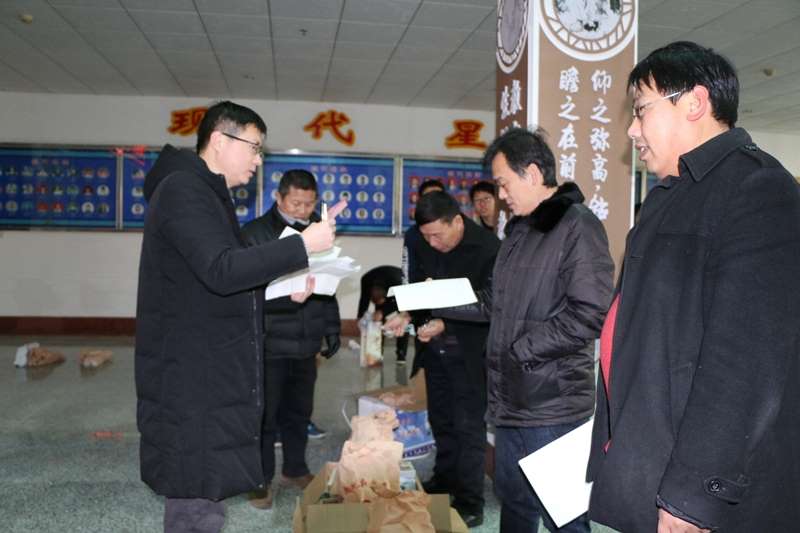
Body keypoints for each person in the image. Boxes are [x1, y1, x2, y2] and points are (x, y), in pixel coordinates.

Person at [587, 41, 800, 533]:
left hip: (703, 492)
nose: (632, 129)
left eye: (641, 110)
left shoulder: (758, 190)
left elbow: (743, 365)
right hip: (654, 457)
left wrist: (692, 498)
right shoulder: (669, 196)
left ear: (694, 103)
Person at [134, 101, 342, 533]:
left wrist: (281, 288)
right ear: (219, 139)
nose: (258, 160)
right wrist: (303, 245)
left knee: (204, 489)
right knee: (195, 491)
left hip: (203, 364)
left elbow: (214, 278)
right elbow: (221, 269)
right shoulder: (183, 190)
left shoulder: (205, 192)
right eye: (254, 147)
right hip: (190, 373)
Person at [431, 127, 614, 532]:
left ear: (531, 173)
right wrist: (435, 298)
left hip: (552, 403)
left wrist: (521, 351)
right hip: (512, 397)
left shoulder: (578, 226)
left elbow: (590, 312)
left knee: (564, 517)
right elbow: (493, 301)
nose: (500, 195)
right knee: (514, 501)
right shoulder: (520, 230)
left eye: (503, 183)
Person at [388, 191, 500, 528]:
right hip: (433, 349)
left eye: (437, 235)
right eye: (426, 237)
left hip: (470, 350)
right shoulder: (419, 240)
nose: (432, 244)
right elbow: (418, 286)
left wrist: (445, 323)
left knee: (468, 426)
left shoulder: (488, 248)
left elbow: (489, 304)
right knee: (441, 418)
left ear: (457, 221)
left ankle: (470, 500)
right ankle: (444, 479)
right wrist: (406, 314)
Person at [240, 169, 342, 509]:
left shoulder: (319, 232)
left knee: (299, 412)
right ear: (278, 197)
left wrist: (331, 328)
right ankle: (260, 481)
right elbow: (245, 290)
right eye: (296, 203)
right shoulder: (255, 233)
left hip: (306, 339)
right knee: (265, 416)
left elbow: (329, 283)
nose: (303, 210)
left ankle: (295, 469)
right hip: (269, 340)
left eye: (309, 204)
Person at [402, 178, 445, 376]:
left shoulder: (454, 230)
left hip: (449, 305)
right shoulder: (413, 234)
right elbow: (407, 270)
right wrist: (407, 308)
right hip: (422, 305)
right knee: (423, 354)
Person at [356, 265, 407, 363]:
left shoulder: (399, 282)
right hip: (379, 281)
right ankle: (377, 352)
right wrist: (360, 317)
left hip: (400, 285)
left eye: (380, 303)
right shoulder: (365, 280)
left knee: (403, 321)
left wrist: (383, 311)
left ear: (386, 298)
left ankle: (401, 354)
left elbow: (401, 302)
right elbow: (363, 299)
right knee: (378, 319)